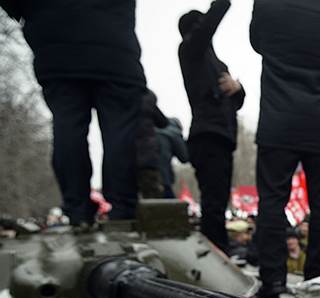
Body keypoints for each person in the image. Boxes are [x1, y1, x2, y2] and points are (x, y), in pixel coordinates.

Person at [3, 0, 147, 225]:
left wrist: (30, 14)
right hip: (114, 47)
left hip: (55, 47)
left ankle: (78, 210)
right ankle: (122, 208)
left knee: (67, 128)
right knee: (120, 133)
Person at [250, 0, 320, 298]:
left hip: (278, 120)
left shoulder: (270, 6)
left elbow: (257, 42)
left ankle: (272, 280)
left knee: (272, 200)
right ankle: (316, 277)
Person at [179, 0, 246, 253]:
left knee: (219, 199)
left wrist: (238, 88)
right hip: (207, 135)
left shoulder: (218, 64)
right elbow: (207, 26)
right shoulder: (190, 51)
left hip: (223, 136)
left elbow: (235, 101)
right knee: (213, 202)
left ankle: (219, 248)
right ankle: (217, 250)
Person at [156, 118, 189, 199]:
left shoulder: (152, 130)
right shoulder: (174, 132)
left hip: (142, 175)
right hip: (163, 177)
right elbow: (184, 157)